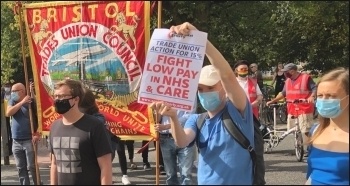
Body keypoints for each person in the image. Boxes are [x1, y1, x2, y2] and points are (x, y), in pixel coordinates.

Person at [150, 22, 254, 185]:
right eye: (200, 89)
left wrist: (200, 39)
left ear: (223, 87)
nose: (204, 93)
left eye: (211, 87)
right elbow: (182, 141)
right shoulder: (197, 120)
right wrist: (172, 117)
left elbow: (227, 75)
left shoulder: (238, 111)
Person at [49, 79, 112, 185]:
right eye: (56, 96)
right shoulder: (54, 127)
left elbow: (106, 166)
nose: (58, 100)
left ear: (76, 99)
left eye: (63, 96)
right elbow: (54, 164)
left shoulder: (94, 126)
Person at [78, 88, 132, 185]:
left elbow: (96, 122)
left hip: (106, 145)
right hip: (87, 156)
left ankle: (124, 175)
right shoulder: (72, 118)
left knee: (113, 158)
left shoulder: (98, 118)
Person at [306, 67, 349, 185]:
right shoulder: (316, 131)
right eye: (320, 95)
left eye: (331, 96)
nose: (324, 100)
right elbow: (312, 176)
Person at [266, 63, 316, 156]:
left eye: (286, 71)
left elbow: (314, 88)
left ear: (292, 71)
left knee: (306, 130)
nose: (284, 73)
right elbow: (284, 93)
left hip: (304, 108)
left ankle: (310, 149)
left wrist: (312, 96)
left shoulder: (305, 78)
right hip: (292, 108)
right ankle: (298, 145)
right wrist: (273, 101)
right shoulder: (288, 80)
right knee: (293, 129)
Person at [5, 82, 40, 185]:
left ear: (22, 91)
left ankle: (37, 182)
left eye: (14, 91)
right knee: (21, 167)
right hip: (16, 140)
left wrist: (37, 133)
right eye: (11, 91)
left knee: (31, 166)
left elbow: (39, 117)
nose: (12, 93)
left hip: (29, 139)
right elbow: (8, 113)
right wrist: (21, 103)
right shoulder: (13, 101)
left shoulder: (31, 102)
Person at [155, 109, 195, 185]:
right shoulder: (161, 97)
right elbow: (156, 119)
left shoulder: (190, 97)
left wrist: (167, 126)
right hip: (165, 137)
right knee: (170, 175)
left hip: (185, 136)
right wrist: (156, 112)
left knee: (186, 175)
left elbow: (189, 117)